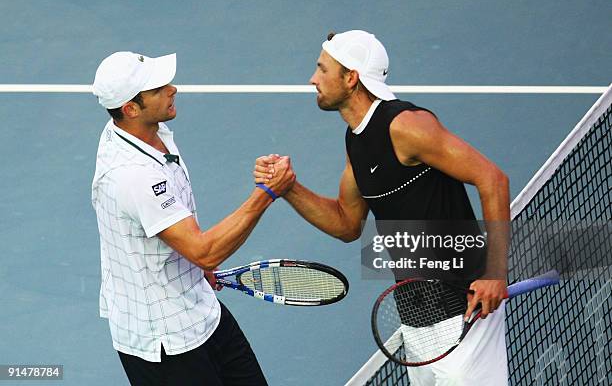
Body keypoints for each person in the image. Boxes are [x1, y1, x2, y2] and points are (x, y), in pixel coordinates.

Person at [254, 30, 510, 385]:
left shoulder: (407, 126)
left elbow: (492, 179)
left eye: (321, 69)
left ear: (350, 78)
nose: (313, 79)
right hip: (417, 314)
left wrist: (495, 273)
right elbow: (347, 223)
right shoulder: (355, 139)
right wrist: (289, 188)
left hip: (463, 310)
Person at [91, 51, 294, 386]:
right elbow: (204, 251)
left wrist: (197, 266)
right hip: (164, 345)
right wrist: (268, 193)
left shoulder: (144, 132)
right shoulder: (132, 175)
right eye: (158, 89)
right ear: (130, 108)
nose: (172, 89)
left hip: (201, 311)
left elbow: (192, 249)